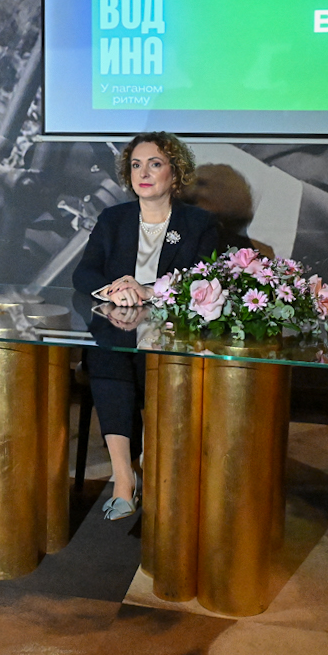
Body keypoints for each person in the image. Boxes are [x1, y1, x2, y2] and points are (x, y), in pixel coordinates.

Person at [72, 132, 218, 521]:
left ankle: (156, 473)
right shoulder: (113, 219)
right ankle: (124, 479)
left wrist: (150, 290)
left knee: (153, 363)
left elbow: (203, 280)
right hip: (117, 335)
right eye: (136, 165)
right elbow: (84, 273)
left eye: (155, 164)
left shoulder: (199, 223)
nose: (144, 173)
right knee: (106, 359)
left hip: (172, 338)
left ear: (175, 172)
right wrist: (112, 289)